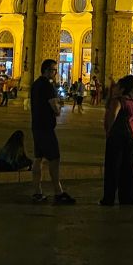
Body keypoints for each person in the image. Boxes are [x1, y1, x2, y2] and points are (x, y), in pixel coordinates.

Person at [29, 58, 76, 204]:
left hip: (36, 125)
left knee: (38, 158)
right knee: (54, 159)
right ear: (48, 70)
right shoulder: (48, 87)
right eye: (54, 70)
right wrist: (59, 108)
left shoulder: (35, 84)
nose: (55, 73)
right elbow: (55, 108)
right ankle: (58, 191)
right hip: (46, 127)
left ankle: (37, 191)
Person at [100, 75, 133, 206]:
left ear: (122, 89)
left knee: (113, 167)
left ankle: (109, 198)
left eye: (117, 86)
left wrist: (108, 131)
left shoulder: (118, 101)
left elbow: (112, 116)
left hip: (117, 136)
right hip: (131, 137)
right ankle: (127, 197)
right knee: (128, 167)